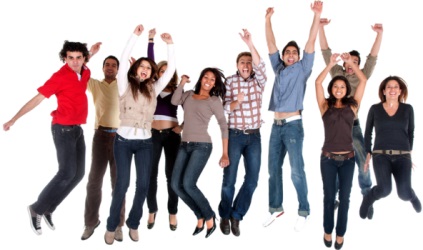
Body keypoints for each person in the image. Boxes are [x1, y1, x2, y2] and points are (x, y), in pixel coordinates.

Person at [3, 40, 100, 235]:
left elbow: (84, 61)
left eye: (78, 58)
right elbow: (37, 99)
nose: (74, 62)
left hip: (77, 130)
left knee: (78, 174)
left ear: (83, 59)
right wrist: (14, 119)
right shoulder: (59, 77)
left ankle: (48, 208)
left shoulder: (85, 71)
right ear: (64, 58)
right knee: (66, 172)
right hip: (62, 129)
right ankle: (36, 208)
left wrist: (92, 52)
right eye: (70, 58)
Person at [104, 24, 175, 245]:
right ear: (135, 69)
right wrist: (134, 36)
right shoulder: (124, 84)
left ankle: (134, 224)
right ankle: (111, 226)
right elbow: (125, 55)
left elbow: (171, 70)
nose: (144, 69)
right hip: (123, 142)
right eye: (141, 66)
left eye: (148, 68)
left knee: (143, 185)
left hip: (145, 142)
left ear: (152, 73)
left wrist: (170, 45)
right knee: (122, 184)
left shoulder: (154, 88)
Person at [263, 0, 322, 231]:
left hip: (293, 125)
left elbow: (310, 41)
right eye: (287, 52)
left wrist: (316, 16)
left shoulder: (303, 69)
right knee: (273, 170)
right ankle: (275, 208)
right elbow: (270, 43)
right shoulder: (278, 68)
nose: (289, 55)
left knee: (296, 170)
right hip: (276, 126)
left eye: (293, 53)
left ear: (298, 57)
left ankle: (304, 210)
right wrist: (267, 20)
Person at [319, 19, 383, 218]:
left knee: (362, 160)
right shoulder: (337, 74)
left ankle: (367, 196)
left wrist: (379, 34)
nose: (348, 65)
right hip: (334, 126)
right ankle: (336, 196)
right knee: (336, 158)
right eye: (347, 62)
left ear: (357, 65)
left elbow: (372, 57)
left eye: (354, 62)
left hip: (353, 125)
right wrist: (321, 27)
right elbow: (326, 52)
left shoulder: (361, 75)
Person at [218, 28, 267, 237]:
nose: (246, 66)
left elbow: (262, 65)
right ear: (237, 66)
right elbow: (225, 108)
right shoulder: (229, 81)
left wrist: (250, 45)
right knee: (229, 179)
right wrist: (236, 101)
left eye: (248, 63)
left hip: (254, 136)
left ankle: (237, 215)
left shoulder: (259, 81)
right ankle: (224, 214)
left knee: (253, 179)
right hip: (235, 135)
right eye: (242, 63)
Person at [316, 52, 367, 250]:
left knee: (345, 199)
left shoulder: (353, 106)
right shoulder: (324, 106)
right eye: (336, 86)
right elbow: (317, 83)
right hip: (328, 159)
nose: (339, 89)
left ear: (347, 90)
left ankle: (340, 234)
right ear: (332, 89)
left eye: (342, 86)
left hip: (348, 160)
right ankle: (327, 230)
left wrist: (348, 62)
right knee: (329, 198)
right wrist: (330, 65)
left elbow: (363, 80)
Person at [171, 70, 230, 239]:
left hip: (202, 146)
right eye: (206, 77)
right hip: (184, 144)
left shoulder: (214, 101)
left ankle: (209, 214)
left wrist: (224, 153)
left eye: (212, 80)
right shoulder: (188, 95)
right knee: (176, 185)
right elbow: (175, 101)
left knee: (188, 184)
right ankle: (200, 214)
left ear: (214, 84)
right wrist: (182, 82)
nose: (208, 81)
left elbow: (223, 126)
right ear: (201, 78)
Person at [360, 76, 421, 220]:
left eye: (395, 87)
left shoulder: (408, 109)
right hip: (381, 155)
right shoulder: (375, 109)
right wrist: (368, 152)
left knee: (404, 193)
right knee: (385, 190)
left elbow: (411, 132)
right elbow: (368, 132)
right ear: (384, 91)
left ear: (400, 91)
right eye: (389, 87)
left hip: (403, 156)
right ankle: (368, 198)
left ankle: (412, 197)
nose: (392, 89)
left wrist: (408, 153)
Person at [81, 55, 126, 241]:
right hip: (100, 136)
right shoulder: (95, 85)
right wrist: (88, 56)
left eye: (114, 65)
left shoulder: (124, 85)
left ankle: (117, 225)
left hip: (120, 138)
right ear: (102, 68)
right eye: (107, 65)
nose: (110, 67)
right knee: (94, 182)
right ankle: (91, 222)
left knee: (118, 184)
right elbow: (78, 70)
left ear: (118, 69)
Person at [146, 28, 182, 231]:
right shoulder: (152, 87)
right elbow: (150, 63)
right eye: (161, 70)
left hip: (172, 136)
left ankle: (172, 212)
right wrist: (150, 40)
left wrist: (182, 127)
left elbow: (194, 112)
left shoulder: (178, 89)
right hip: (152, 135)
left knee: (172, 175)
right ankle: (152, 210)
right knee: (151, 174)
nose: (163, 73)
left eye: (167, 70)